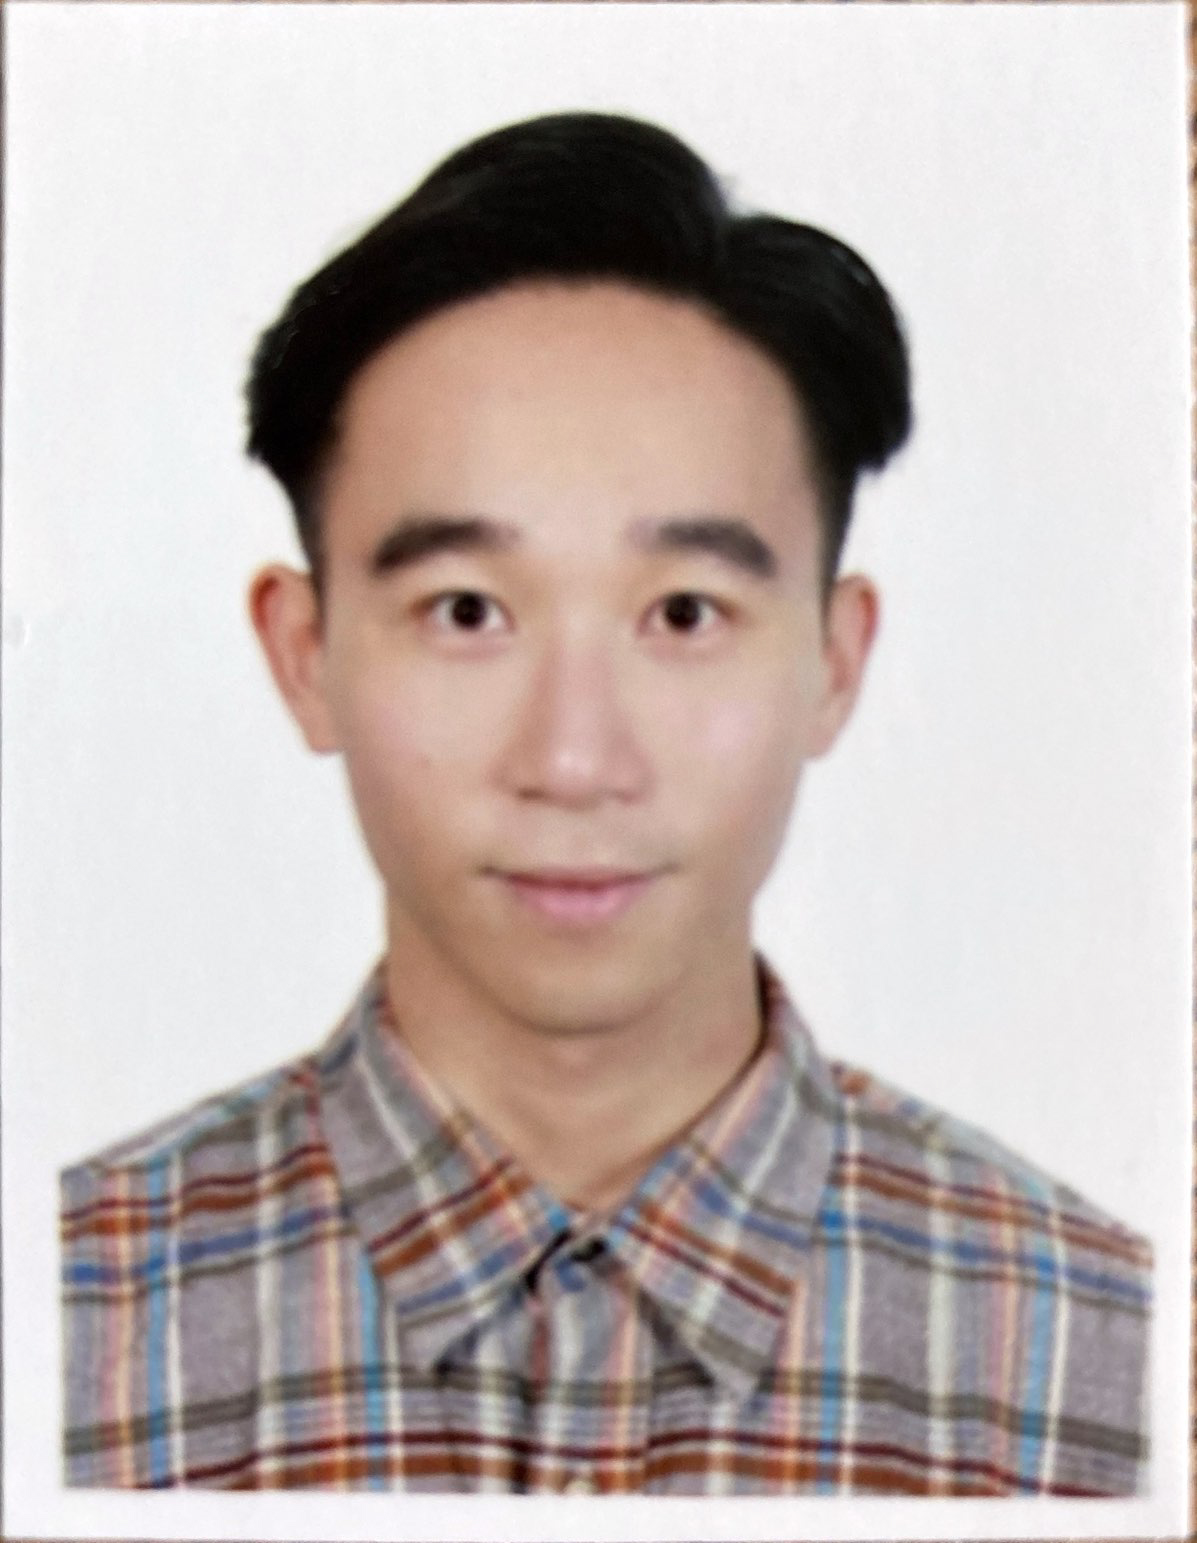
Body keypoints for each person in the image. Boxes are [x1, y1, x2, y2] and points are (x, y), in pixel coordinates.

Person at [59, 111, 1150, 1496]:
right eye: (467, 610)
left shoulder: (1108, 1364)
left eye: (683, 612)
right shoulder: (65, 1328)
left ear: (833, 662)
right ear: (305, 654)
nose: (574, 760)